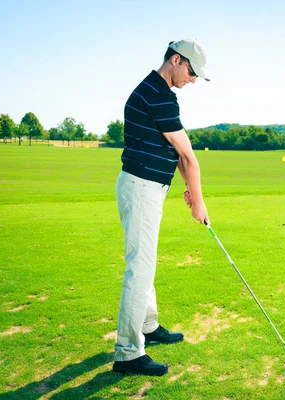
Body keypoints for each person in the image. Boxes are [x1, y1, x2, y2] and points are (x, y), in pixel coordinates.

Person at [112, 38, 211, 376]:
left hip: (145, 188)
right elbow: (189, 158)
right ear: (176, 60)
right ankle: (127, 352)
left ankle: (148, 326)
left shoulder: (159, 92)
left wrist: (186, 187)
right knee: (140, 268)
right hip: (141, 189)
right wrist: (198, 201)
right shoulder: (158, 95)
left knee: (145, 261)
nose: (194, 79)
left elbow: (175, 151)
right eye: (192, 71)